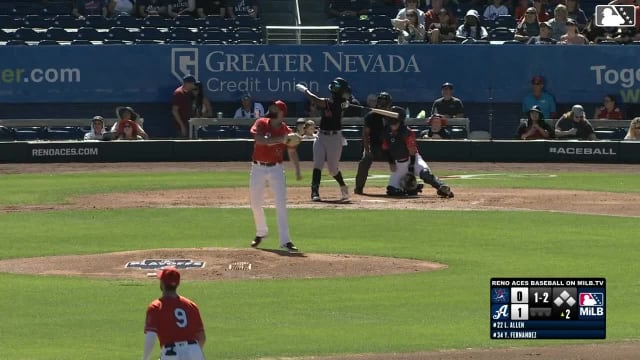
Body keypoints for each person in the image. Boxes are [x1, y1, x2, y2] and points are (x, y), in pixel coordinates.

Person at [248, 100, 301, 253]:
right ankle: (261, 232)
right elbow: (259, 140)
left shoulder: (286, 131)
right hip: (258, 167)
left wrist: (297, 169)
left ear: (281, 112)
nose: (271, 109)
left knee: (281, 205)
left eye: (275, 108)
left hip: (276, 169)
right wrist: (280, 139)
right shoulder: (261, 123)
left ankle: (285, 240)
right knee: (255, 203)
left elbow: (292, 151)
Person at [296, 78, 351, 202]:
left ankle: (343, 186)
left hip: (335, 138)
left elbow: (316, 100)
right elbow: (322, 101)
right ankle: (314, 191)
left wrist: (305, 91)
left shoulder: (338, 102)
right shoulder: (338, 101)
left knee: (332, 169)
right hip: (321, 136)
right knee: (318, 164)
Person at [382, 106, 454, 198]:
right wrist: (391, 162)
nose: (393, 125)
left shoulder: (406, 132)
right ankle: (412, 188)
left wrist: (411, 168)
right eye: (391, 123)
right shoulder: (386, 132)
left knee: (425, 174)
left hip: (413, 159)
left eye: (395, 123)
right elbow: (386, 149)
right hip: (399, 164)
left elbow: (412, 150)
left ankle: (442, 187)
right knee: (392, 190)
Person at [142, 267, 206, 360]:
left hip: (171, 353)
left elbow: (151, 337)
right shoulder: (191, 305)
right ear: (178, 284)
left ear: (162, 284)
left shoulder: (156, 306)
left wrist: (145, 358)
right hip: (194, 351)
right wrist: (191, 352)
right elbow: (202, 337)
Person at [354, 92, 393, 195]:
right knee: (364, 161)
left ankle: (406, 186)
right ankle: (359, 187)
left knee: (404, 159)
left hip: (390, 147)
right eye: (380, 101)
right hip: (374, 146)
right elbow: (365, 135)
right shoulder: (371, 116)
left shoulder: (393, 116)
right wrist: (367, 150)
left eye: (385, 102)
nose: (382, 104)